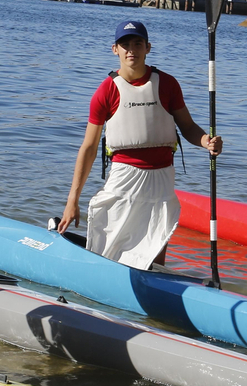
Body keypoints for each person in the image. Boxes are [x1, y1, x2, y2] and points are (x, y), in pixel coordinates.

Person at [58, 18, 223, 268]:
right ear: (115, 49)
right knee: (108, 244)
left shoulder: (167, 84)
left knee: (155, 245)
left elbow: (188, 127)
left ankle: (154, 282)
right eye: (125, 45)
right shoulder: (106, 91)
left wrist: (206, 141)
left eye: (137, 43)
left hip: (162, 177)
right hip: (125, 177)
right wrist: (73, 200)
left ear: (148, 47)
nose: (131, 50)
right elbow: (89, 148)